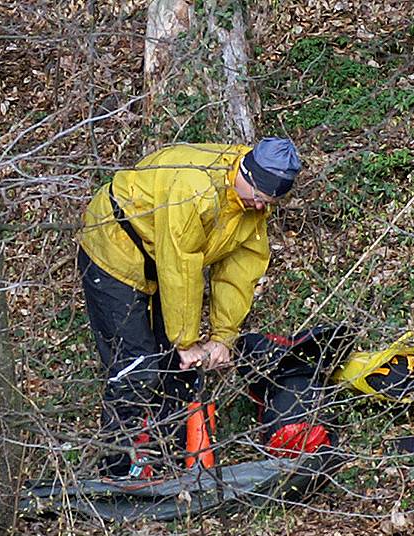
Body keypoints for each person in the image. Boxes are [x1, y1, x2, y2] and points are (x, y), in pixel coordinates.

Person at [78, 138, 302, 476]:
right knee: (136, 364)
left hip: (155, 258)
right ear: (247, 173)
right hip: (113, 247)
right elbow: (180, 266)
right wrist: (186, 341)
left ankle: (169, 454)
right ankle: (119, 466)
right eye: (258, 197)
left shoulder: (251, 205)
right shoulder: (195, 188)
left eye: (267, 202)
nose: (259, 207)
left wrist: (222, 337)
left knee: (173, 367)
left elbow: (239, 272)